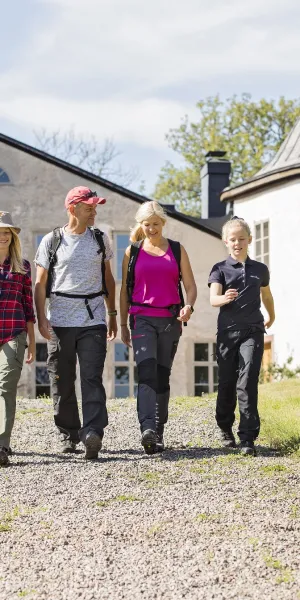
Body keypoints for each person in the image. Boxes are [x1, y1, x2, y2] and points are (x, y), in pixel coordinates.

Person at [34, 186, 117, 460]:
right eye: (89, 207)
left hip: (93, 319)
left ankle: (93, 432)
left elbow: (108, 279)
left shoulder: (100, 239)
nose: (94, 211)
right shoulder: (52, 240)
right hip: (59, 320)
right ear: (72, 208)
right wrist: (41, 318)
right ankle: (68, 434)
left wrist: (112, 313)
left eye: (95, 207)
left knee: (92, 378)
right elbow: (40, 283)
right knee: (62, 380)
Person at [120, 201, 197, 454]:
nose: (151, 229)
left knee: (162, 376)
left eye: (155, 224)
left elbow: (190, 286)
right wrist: (122, 323)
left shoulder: (177, 249)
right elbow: (124, 291)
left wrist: (189, 306)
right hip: (141, 318)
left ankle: (158, 431)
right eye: (146, 224)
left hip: (170, 320)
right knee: (146, 373)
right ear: (140, 225)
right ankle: (147, 429)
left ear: (163, 223)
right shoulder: (132, 252)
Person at [208, 216, 275, 456]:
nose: (237, 243)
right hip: (227, 332)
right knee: (227, 382)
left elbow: (266, 295)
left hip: (253, 330)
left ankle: (247, 437)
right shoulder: (219, 269)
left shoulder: (260, 269)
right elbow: (213, 298)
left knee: (247, 381)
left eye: (242, 239)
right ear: (226, 241)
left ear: (249, 240)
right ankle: (225, 426)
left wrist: (272, 315)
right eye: (233, 239)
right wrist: (224, 298)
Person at [0, 212, 35, 466]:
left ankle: (1, 445)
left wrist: (32, 340)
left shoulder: (22, 266)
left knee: (5, 387)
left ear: (12, 237)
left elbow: (28, 304)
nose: (2, 236)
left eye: (6, 232)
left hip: (13, 332)